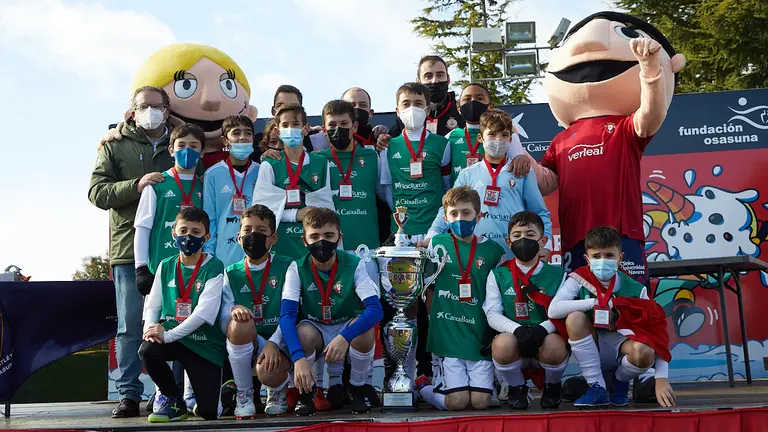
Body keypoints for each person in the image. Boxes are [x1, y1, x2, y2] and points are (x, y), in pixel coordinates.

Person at [508, 12, 686, 285]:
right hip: (576, 237)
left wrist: (650, 72)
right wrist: (516, 147)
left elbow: (651, 114)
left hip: (621, 236)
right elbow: (545, 182)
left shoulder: (625, 126)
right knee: (580, 311)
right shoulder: (562, 139)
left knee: (630, 307)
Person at [88, 85, 174, 418]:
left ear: (167, 110)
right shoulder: (115, 145)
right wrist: (136, 186)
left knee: (173, 321)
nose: (149, 111)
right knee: (129, 327)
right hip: (128, 250)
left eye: (156, 106)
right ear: (132, 110)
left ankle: (169, 393)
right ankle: (128, 394)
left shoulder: (180, 144)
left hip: (172, 251)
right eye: (143, 106)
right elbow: (97, 192)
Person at [548, 226, 676, 408]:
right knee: (574, 318)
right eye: (596, 256)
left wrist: (662, 377)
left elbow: (658, 332)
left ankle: (621, 382)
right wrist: (593, 304)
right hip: (593, 348)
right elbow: (554, 310)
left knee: (645, 351)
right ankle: (597, 386)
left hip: (621, 350)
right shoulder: (578, 279)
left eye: (609, 255)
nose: (602, 261)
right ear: (587, 259)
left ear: (620, 258)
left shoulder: (636, 288)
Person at [378, 82, 451, 382]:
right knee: (404, 312)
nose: (413, 109)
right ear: (397, 110)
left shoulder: (442, 145)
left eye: (418, 102)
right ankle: (403, 376)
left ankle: (441, 374)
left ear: (428, 107)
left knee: (437, 309)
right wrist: (401, 226)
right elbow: (385, 189)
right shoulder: (389, 147)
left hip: (435, 237)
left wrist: (436, 228)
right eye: (406, 103)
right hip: (403, 241)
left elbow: (448, 191)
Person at [279, 208, 384, 415]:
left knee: (365, 330)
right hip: (316, 326)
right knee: (302, 333)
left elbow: (375, 310)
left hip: (345, 325)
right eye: (314, 236)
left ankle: (356, 387)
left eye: (328, 236)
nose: (322, 242)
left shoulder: (355, 264)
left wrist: (345, 337)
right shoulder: (296, 268)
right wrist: (298, 358)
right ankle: (306, 392)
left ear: (339, 238)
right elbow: (287, 316)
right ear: (304, 240)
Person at [315, 99, 383, 409]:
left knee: (367, 317)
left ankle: (366, 382)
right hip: (327, 252)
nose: (339, 131)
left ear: (356, 126)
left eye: (345, 125)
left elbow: (391, 197)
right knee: (326, 313)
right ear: (323, 129)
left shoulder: (372, 156)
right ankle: (329, 383)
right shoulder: (315, 160)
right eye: (332, 126)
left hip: (366, 252)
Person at [416, 186, 506, 411]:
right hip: (448, 333)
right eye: (454, 213)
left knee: (480, 402)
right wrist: (432, 323)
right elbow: (429, 289)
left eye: (466, 213)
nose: (459, 218)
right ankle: (423, 386)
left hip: (479, 335)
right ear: (445, 217)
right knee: (457, 403)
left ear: (479, 215)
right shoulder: (437, 244)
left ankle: (489, 383)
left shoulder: (494, 251)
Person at [424, 109, 552, 261]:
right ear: (480, 138)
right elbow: (447, 208)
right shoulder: (468, 173)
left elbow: (539, 212)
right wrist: (433, 234)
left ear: (510, 140)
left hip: (515, 254)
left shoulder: (523, 172)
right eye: (492, 134)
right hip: (477, 255)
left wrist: (547, 244)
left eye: (504, 135)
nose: (498, 140)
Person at [139, 207, 226, 422]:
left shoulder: (214, 266)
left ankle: (204, 400)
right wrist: (150, 330)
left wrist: (167, 336)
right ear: (174, 233)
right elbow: (153, 305)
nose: (188, 237)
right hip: (173, 338)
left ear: (206, 237)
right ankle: (173, 400)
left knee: (210, 413)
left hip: (202, 342)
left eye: (196, 232)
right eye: (183, 230)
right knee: (148, 349)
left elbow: (203, 314)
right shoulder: (165, 265)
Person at [483, 211, 569, 410]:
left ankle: (552, 386)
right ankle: (516, 388)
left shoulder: (559, 275)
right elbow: (492, 313)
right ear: (508, 240)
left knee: (555, 345)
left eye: (530, 235)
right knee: (502, 345)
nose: (523, 240)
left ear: (543, 240)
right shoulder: (498, 274)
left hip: (546, 339)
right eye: (517, 235)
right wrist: (517, 330)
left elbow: (563, 313)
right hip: (514, 339)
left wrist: (542, 330)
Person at [218, 205, 294, 418]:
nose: (253, 236)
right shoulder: (230, 272)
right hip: (249, 342)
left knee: (268, 371)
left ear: (273, 238)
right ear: (238, 236)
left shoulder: (288, 267)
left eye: (261, 231)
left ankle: (277, 390)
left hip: (280, 342)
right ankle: (244, 394)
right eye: (248, 230)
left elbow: (291, 314)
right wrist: (233, 309)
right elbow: (223, 318)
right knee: (239, 323)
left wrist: (273, 344)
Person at [252, 104, 334, 260]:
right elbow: (261, 212)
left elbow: (327, 208)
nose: (290, 129)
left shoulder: (321, 164)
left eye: (295, 124)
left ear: (305, 129)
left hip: (314, 246)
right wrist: (295, 215)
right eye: (285, 125)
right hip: (280, 245)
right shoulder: (270, 165)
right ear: (277, 131)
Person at [134, 123, 205, 293]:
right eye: (181, 145)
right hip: (160, 268)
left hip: (197, 270)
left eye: (193, 146)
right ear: (171, 150)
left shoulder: (205, 185)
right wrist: (141, 268)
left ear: (202, 152)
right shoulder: (156, 184)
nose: (187, 150)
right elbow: (143, 227)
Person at [203, 115, 260, 267]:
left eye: (248, 133)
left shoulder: (262, 171)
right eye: (236, 133)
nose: (242, 138)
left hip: (258, 249)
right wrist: (209, 252)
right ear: (225, 141)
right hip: (224, 252)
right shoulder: (213, 173)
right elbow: (210, 216)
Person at [341, 86, 394, 247]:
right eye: (351, 105)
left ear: (371, 113)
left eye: (362, 105)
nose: (357, 109)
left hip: (377, 225)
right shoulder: (324, 141)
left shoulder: (382, 141)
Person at [381, 55, 465, 143]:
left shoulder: (461, 111)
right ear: (418, 82)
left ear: (448, 79)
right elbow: (388, 141)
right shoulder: (408, 114)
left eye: (440, 75)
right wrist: (382, 137)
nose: (434, 81)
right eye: (428, 76)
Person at [446, 83, 494, 185]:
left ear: (490, 107)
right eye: (467, 99)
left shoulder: (503, 135)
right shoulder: (450, 137)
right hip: (459, 198)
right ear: (458, 108)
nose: (473, 102)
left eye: (479, 98)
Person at [271, 84, 327, 153]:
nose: (287, 110)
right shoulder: (260, 141)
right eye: (280, 105)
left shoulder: (315, 139)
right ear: (273, 111)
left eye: (293, 106)